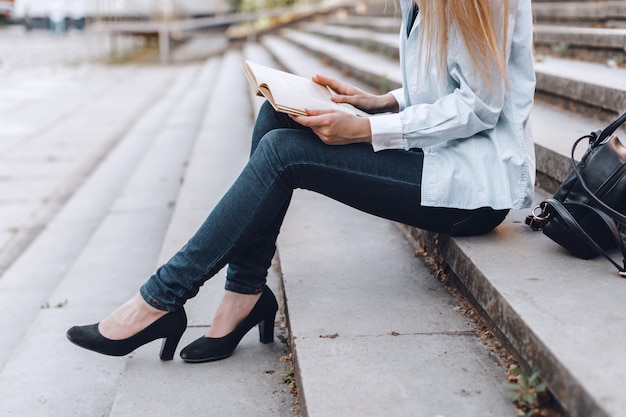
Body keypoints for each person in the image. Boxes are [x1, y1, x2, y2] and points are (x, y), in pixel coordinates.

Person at [67, 0, 535, 363]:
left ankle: (159, 299)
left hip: (474, 190)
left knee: (284, 154)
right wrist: (381, 102)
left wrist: (368, 129)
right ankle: (243, 293)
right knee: (279, 114)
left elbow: (480, 104)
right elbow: (446, 84)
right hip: (436, 160)